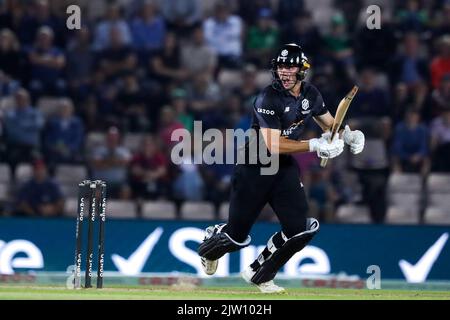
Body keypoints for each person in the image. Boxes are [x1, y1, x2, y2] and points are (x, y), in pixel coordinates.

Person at [197, 43, 365, 293]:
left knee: (300, 229)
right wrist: (315, 145)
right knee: (236, 237)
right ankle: (212, 241)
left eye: (290, 67)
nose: (285, 72)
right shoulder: (267, 97)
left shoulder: (311, 94)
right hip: (255, 165)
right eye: (281, 67)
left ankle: (259, 273)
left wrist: (348, 135)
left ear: (302, 70)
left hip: (283, 167)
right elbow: (274, 144)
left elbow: (330, 123)